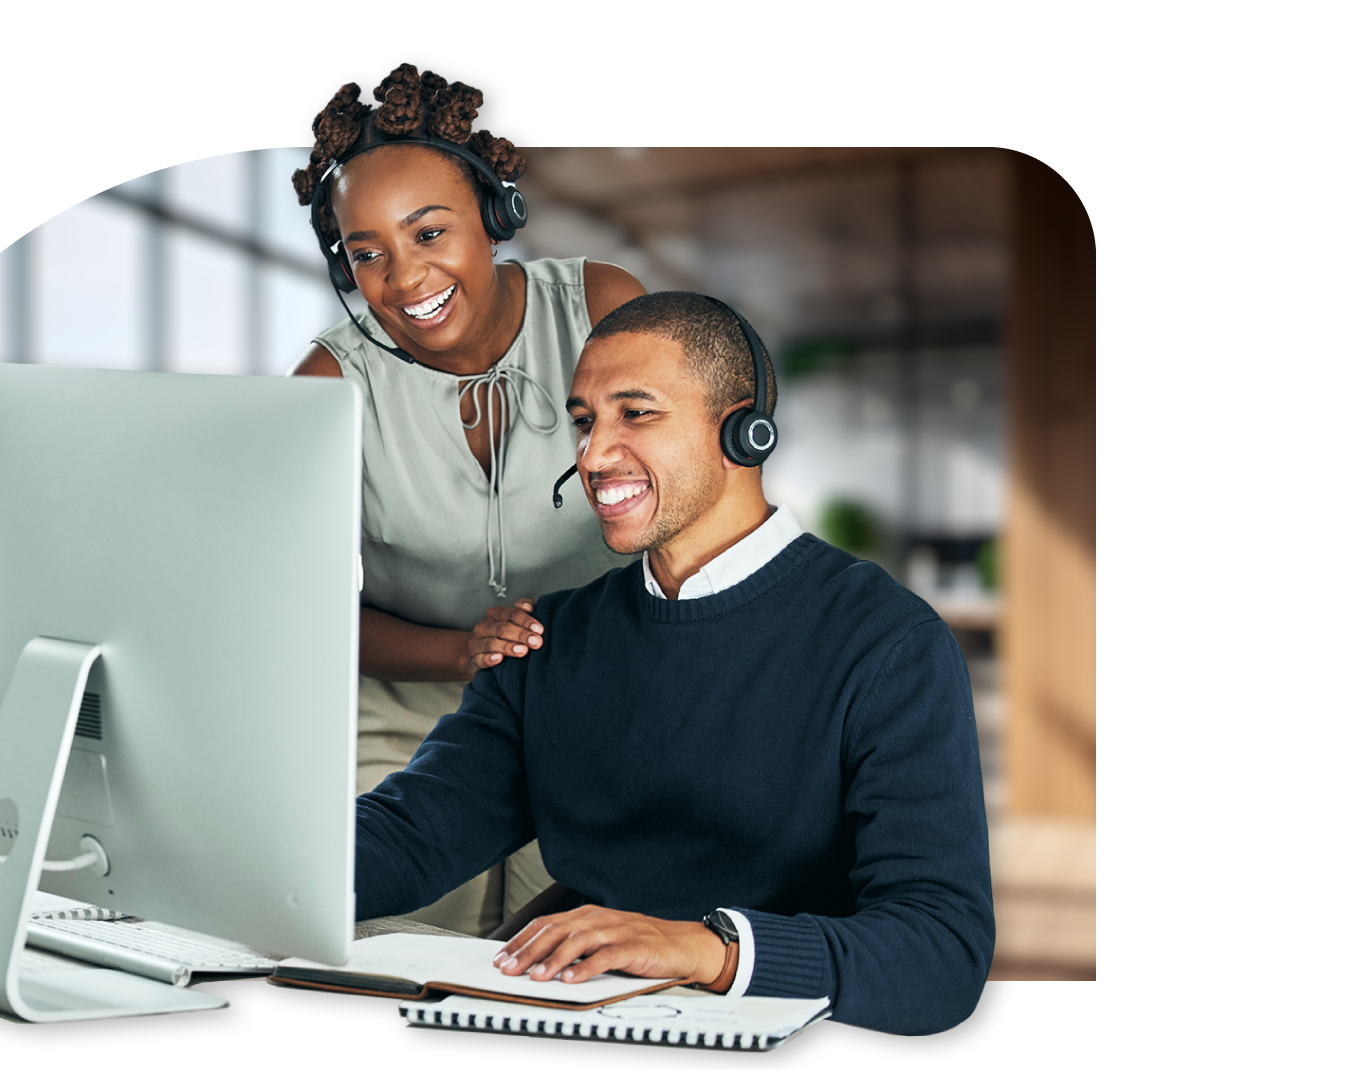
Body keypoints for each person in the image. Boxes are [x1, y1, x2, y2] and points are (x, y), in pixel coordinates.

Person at [353, 292, 994, 1035]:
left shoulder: (889, 645)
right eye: (585, 422)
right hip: (576, 1012)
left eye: (637, 413)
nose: (593, 456)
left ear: (743, 430)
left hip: (774, 1026)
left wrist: (704, 950)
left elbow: (940, 955)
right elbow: (414, 833)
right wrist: (241, 863)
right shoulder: (550, 637)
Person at [289, 64, 646, 936]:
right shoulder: (328, 384)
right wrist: (460, 654)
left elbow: (689, 507)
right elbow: (301, 614)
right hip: (402, 719)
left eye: (429, 232)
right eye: (366, 252)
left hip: (594, 710)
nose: (404, 279)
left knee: (559, 964)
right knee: (384, 949)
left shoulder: (607, 308)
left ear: (497, 216)